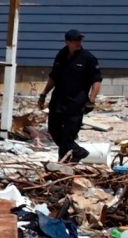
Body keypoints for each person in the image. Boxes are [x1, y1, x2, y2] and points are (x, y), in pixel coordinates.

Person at [40, 29, 102, 163]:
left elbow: (96, 80)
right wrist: (43, 94)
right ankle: (79, 152)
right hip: (58, 101)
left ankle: (63, 164)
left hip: (76, 103)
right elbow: (53, 77)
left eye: (80, 40)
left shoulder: (88, 58)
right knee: (54, 130)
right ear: (68, 41)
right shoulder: (61, 55)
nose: (78, 43)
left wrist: (91, 100)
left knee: (68, 136)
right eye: (75, 40)